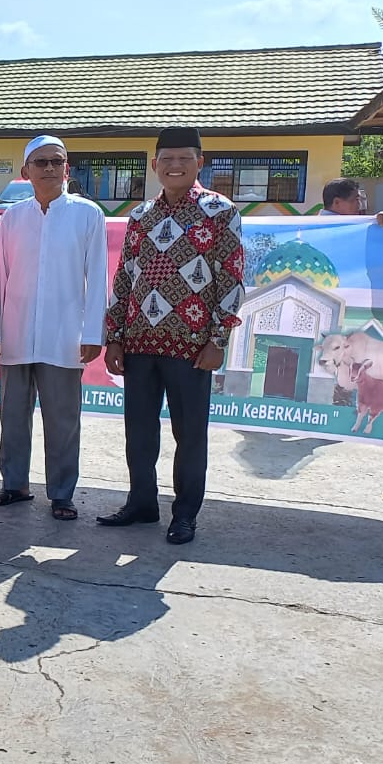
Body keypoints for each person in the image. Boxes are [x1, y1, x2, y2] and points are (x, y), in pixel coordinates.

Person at [100, 126, 244, 545]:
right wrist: (115, 336)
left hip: (193, 345)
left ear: (200, 162)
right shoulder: (141, 216)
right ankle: (142, 504)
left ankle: (185, 514)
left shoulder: (220, 211)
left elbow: (232, 276)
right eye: (167, 159)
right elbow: (124, 279)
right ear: (154, 165)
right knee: (139, 431)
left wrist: (218, 339)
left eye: (184, 158)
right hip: (140, 343)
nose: (175, 165)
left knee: (189, 433)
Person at [0, 136, 108, 521]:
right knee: (13, 415)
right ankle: (14, 485)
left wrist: (91, 333)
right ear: (26, 172)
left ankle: (62, 493)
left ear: (67, 168)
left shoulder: (88, 215)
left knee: (63, 419)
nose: (50, 168)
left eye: (57, 161)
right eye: (41, 162)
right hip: (16, 332)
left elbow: (97, 277)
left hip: (64, 335)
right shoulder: (13, 217)